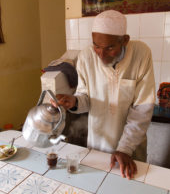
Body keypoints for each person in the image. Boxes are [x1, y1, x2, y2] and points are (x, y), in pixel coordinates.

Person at [52, 10, 155, 179]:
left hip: (131, 150)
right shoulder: (86, 56)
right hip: (98, 145)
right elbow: (86, 97)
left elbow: (142, 109)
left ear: (124, 40)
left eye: (110, 48)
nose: (101, 54)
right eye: (96, 46)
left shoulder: (141, 54)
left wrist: (125, 149)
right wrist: (75, 101)